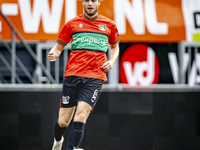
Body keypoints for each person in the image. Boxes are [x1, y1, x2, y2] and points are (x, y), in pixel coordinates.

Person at [48, 0, 120, 149]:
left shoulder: (109, 25)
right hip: (72, 76)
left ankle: (72, 148)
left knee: (80, 116)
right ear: (83, 2)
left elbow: (115, 47)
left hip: (95, 77)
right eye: (87, 0)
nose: (90, 3)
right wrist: (54, 53)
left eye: (93, 0)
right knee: (63, 121)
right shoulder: (72, 24)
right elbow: (59, 46)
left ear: (99, 3)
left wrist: (112, 61)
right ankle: (57, 140)